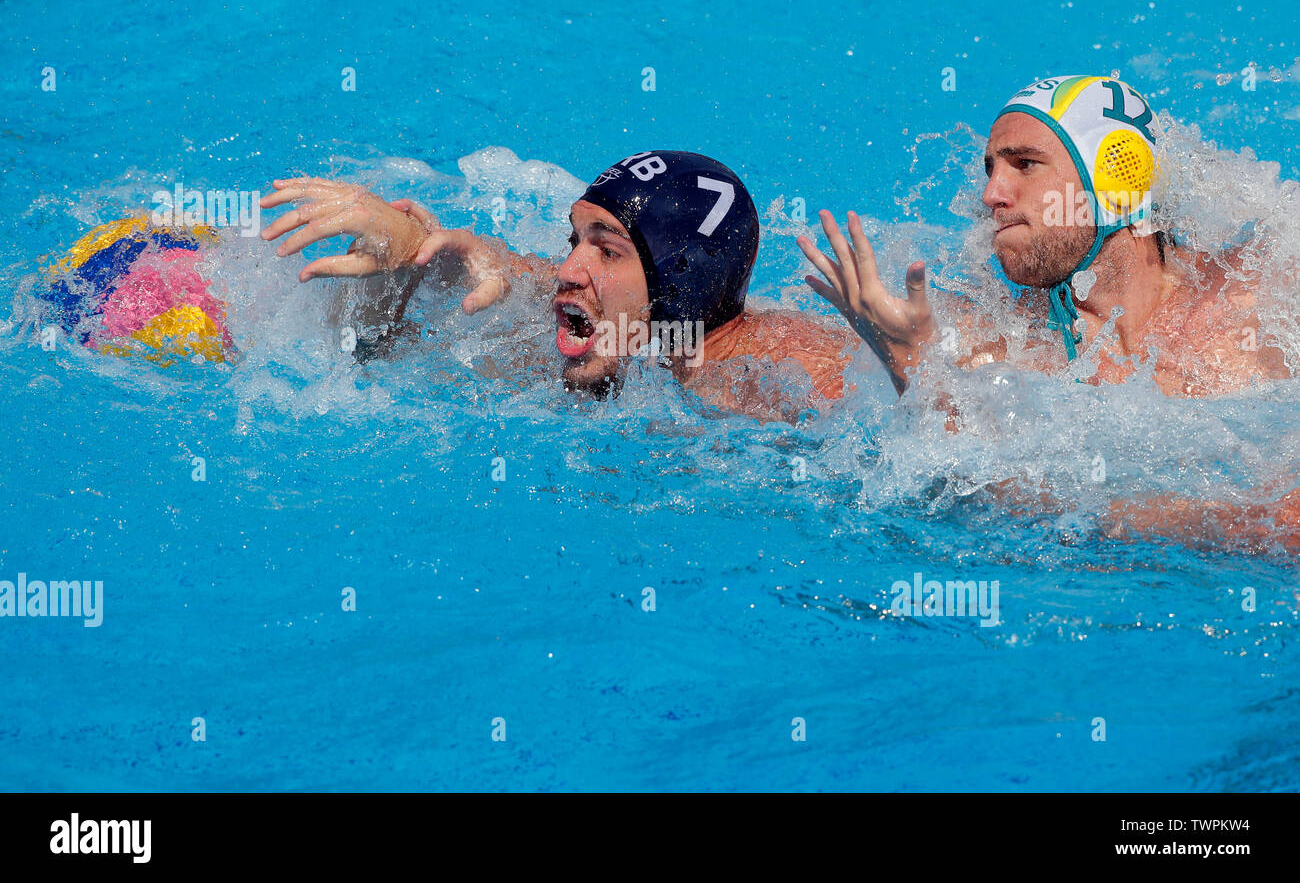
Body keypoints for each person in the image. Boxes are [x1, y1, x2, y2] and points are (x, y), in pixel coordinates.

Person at [797, 73, 1298, 546]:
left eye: (1024, 164)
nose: (993, 193)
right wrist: (910, 368)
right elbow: (964, 498)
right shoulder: (997, 349)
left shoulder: (1264, 295)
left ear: (1117, 178)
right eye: (991, 168)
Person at [260, 150, 855, 421]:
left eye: (607, 249)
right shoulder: (621, 330)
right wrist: (408, 247)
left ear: (678, 284)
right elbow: (505, 270)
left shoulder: (774, 383)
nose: (569, 271)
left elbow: (934, 458)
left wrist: (908, 357)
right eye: (576, 240)